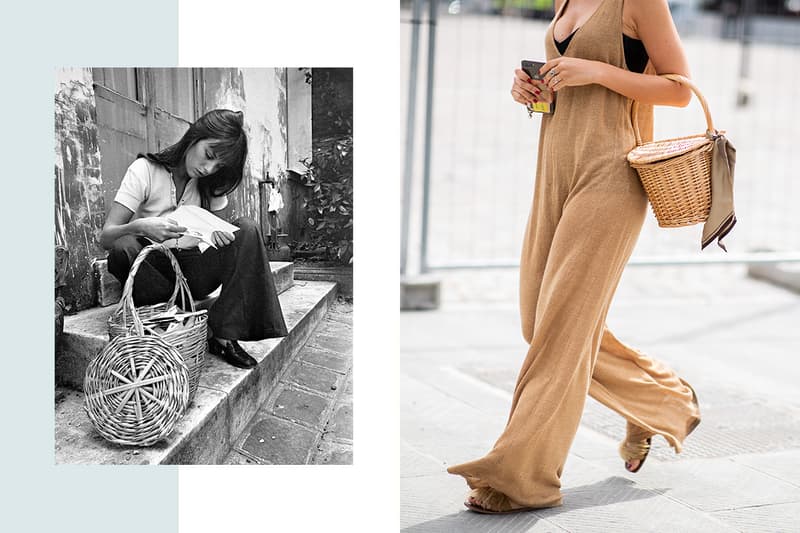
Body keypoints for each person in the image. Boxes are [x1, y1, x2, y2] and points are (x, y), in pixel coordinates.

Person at [446, 0, 702, 514]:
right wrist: (531, 93)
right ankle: (664, 400)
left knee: (561, 332)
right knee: (538, 322)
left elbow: (679, 89)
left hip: (612, 175)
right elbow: (569, 91)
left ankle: (522, 478)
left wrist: (598, 71)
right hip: (555, 170)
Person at [99, 109, 288, 370]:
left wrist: (218, 235)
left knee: (247, 228)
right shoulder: (144, 170)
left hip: (193, 272)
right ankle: (174, 317)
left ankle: (224, 334)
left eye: (218, 165)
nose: (207, 168)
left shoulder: (209, 182)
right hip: (152, 272)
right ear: (195, 137)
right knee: (123, 247)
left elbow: (222, 236)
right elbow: (105, 237)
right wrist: (141, 226)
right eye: (209, 155)